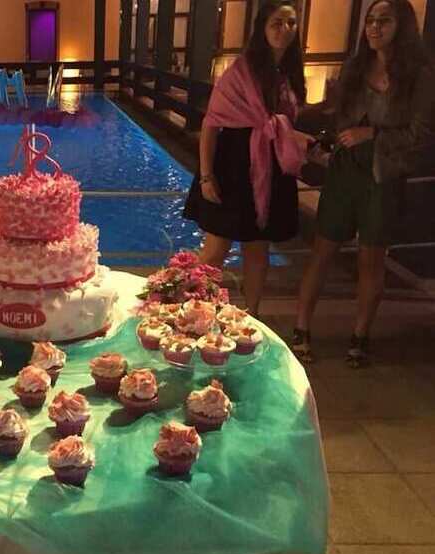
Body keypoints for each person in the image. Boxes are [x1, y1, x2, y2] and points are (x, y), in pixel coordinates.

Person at [292, 0, 434, 367]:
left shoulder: (419, 77)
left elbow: (422, 134)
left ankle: (360, 336)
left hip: (383, 176)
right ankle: (301, 328)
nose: (374, 27)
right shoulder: (355, 67)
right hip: (344, 172)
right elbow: (336, 113)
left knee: (372, 259)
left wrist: (372, 134)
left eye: (384, 21)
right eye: (370, 20)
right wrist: (302, 124)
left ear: (402, 26)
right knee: (322, 251)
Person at [183, 0, 312, 316]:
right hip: (233, 163)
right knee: (215, 249)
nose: (284, 29)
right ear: (262, 28)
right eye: (277, 23)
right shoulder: (240, 72)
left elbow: (288, 120)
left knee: (258, 248)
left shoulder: (290, 74)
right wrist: (207, 175)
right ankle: (191, 311)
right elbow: (211, 124)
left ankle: (252, 315)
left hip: (271, 166)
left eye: (291, 23)